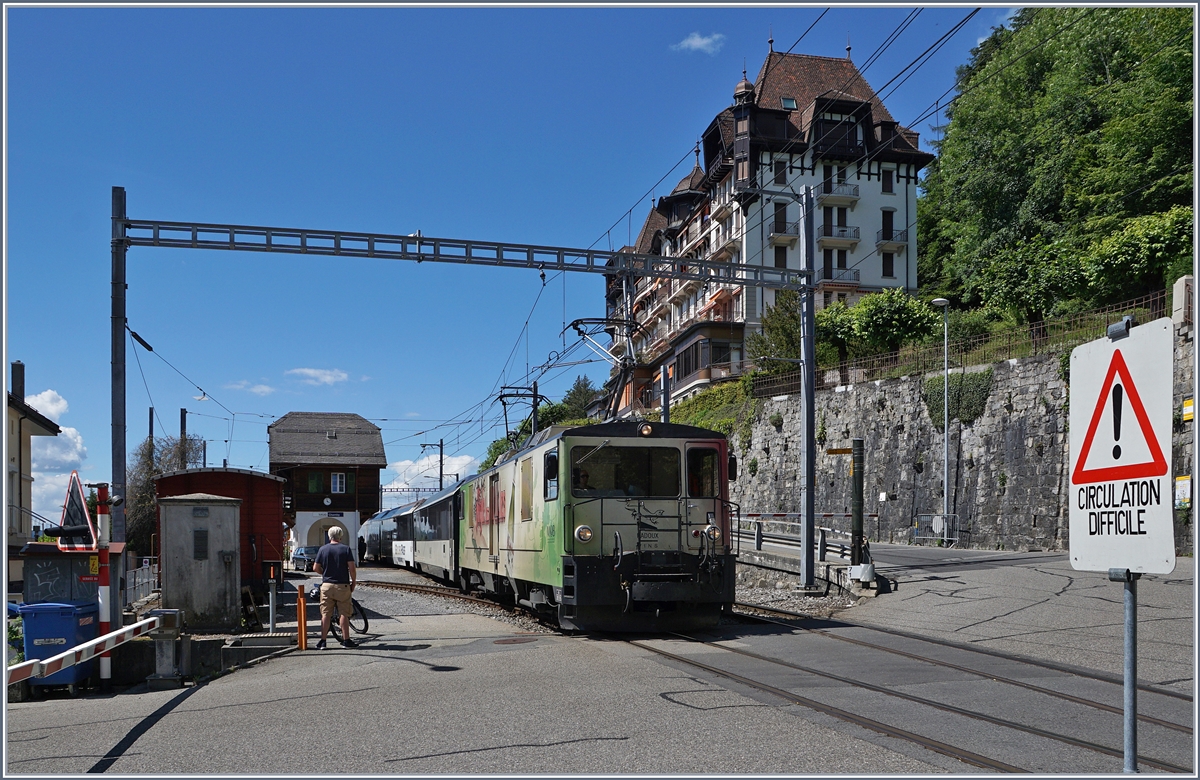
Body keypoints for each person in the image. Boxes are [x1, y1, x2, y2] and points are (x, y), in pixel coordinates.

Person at [313, 526, 357, 649]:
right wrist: (353, 582)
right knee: (344, 613)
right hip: (342, 585)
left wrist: (325, 573)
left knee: (325, 614)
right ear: (341, 536)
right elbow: (352, 569)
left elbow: (315, 568)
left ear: (329, 536)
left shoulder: (323, 549)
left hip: (326, 585)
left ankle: (323, 641)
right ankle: (346, 640)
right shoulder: (346, 549)